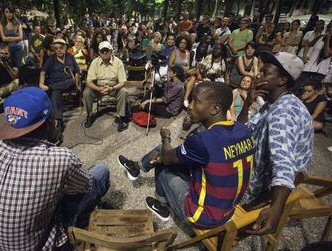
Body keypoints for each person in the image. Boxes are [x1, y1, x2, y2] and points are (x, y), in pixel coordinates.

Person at [0, 87, 110, 251]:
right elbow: (85, 185)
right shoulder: (59, 157)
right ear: (48, 121)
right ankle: (75, 221)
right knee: (100, 172)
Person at [117, 82, 255, 227]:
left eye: (196, 101)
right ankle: (136, 167)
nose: (189, 105)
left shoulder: (202, 141)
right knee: (165, 152)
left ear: (214, 109)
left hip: (203, 216)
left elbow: (167, 157)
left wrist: (165, 137)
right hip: (228, 209)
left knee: (162, 161)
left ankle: (162, 205)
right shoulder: (243, 130)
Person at [237, 51, 314, 235]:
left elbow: (284, 164)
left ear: (282, 81)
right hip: (253, 170)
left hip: (259, 191)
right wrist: (248, 102)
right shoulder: (272, 103)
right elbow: (241, 132)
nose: (258, 75)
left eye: (265, 72)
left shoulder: (284, 112)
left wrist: (276, 208)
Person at [83, 41, 129, 132]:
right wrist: (98, 88)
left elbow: (123, 82)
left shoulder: (118, 62)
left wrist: (112, 88)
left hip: (113, 87)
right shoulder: (94, 62)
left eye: (107, 51)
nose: (105, 53)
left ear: (111, 51)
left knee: (123, 92)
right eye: (102, 51)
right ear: (99, 52)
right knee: (86, 92)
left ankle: (122, 117)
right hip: (98, 87)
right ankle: (89, 115)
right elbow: (89, 82)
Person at [39, 38, 80, 132]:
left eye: (61, 48)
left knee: (70, 82)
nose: (59, 50)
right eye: (56, 48)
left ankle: (51, 89)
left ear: (65, 48)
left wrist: (77, 84)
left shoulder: (70, 57)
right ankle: (58, 120)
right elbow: (43, 72)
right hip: (55, 84)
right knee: (55, 93)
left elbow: (77, 72)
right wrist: (41, 84)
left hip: (69, 83)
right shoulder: (51, 59)